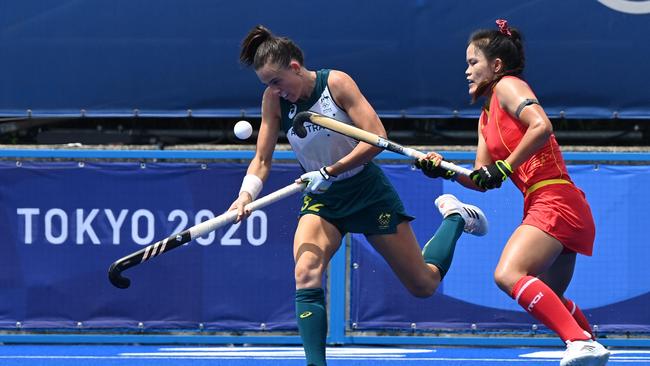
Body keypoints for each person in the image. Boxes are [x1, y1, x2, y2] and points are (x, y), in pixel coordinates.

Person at [231, 25, 488, 366]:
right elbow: (262, 159)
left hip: (366, 190)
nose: (275, 90)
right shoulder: (274, 101)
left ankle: (456, 218)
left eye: (277, 81)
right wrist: (245, 195)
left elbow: (376, 138)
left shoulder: (336, 83)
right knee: (306, 270)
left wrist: (330, 171)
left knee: (423, 284)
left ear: (295, 67)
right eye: (268, 85)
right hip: (323, 199)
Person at [417, 19, 609, 366]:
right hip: (552, 203)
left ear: (497, 66)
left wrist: (505, 166)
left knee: (508, 274)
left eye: (473, 62)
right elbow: (480, 179)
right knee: (550, 294)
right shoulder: (485, 116)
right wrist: (441, 167)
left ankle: (580, 342)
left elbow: (541, 125)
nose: (467, 71)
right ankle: (590, 344)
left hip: (555, 199)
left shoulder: (509, 86)